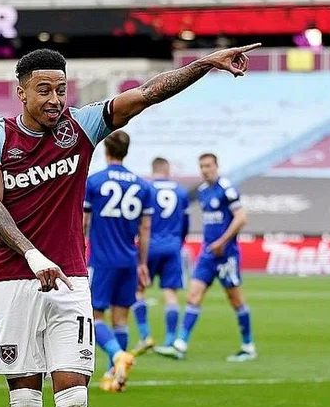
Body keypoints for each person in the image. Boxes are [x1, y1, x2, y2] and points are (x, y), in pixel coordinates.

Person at [0, 44, 258, 407]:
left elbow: (148, 93)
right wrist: (32, 254)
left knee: (76, 400)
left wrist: (206, 64)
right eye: (44, 89)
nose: (55, 98)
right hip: (14, 280)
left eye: (61, 88)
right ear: (21, 91)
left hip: (72, 282)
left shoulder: (80, 127)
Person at [82, 131, 152, 392]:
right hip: (129, 260)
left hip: (102, 260)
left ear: (106, 150)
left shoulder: (95, 182)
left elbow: (83, 222)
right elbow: (145, 230)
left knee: (94, 316)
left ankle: (116, 356)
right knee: (120, 319)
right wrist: (143, 263)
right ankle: (116, 375)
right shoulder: (142, 186)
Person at [169, 153, 255, 361]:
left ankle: (248, 346)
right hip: (208, 255)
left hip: (227, 255)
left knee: (235, 300)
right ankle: (180, 344)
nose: (205, 170)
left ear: (216, 166)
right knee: (193, 296)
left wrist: (222, 242)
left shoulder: (226, 188)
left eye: (208, 166)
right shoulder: (202, 191)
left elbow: (241, 218)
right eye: (202, 166)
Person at [131, 157, 190, 357]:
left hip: (150, 246)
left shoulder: (146, 189)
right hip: (173, 247)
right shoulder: (181, 192)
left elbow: (139, 220)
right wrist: (178, 242)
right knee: (170, 293)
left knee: (139, 290)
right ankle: (170, 339)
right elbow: (185, 223)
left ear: (153, 169)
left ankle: (145, 336)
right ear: (167, 169)